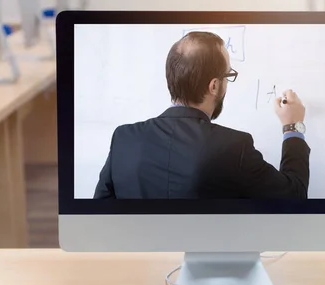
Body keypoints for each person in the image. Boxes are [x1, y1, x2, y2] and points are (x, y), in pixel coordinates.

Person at [94, 31, 310, 199]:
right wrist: (292, 127)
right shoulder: (235, 147)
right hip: (213, 257)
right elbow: (293, 196)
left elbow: (98, 215)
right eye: (228, 75)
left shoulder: (124, 138)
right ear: (214, 86)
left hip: (138, 257)